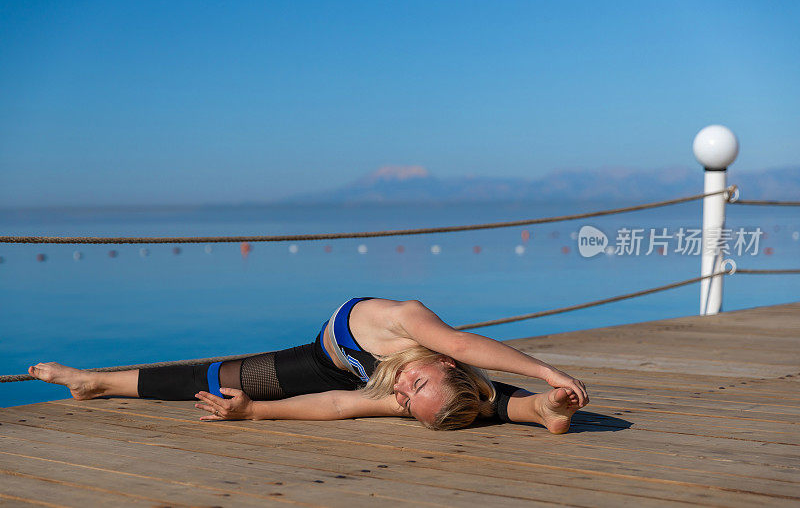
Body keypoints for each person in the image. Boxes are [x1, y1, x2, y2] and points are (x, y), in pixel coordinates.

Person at [28, 297, 588, 432]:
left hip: (340, 379)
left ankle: (539, 412)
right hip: (320, 360)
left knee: (464, 407)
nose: (404, 392)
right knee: (214, 377)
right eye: (415, 384)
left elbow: (341, 405)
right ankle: (92, 381)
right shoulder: (405, 321)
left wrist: (254, 416)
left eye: (405, 399)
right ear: (442, 360)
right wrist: (547, 373)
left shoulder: (404, 391)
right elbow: (466, 346)